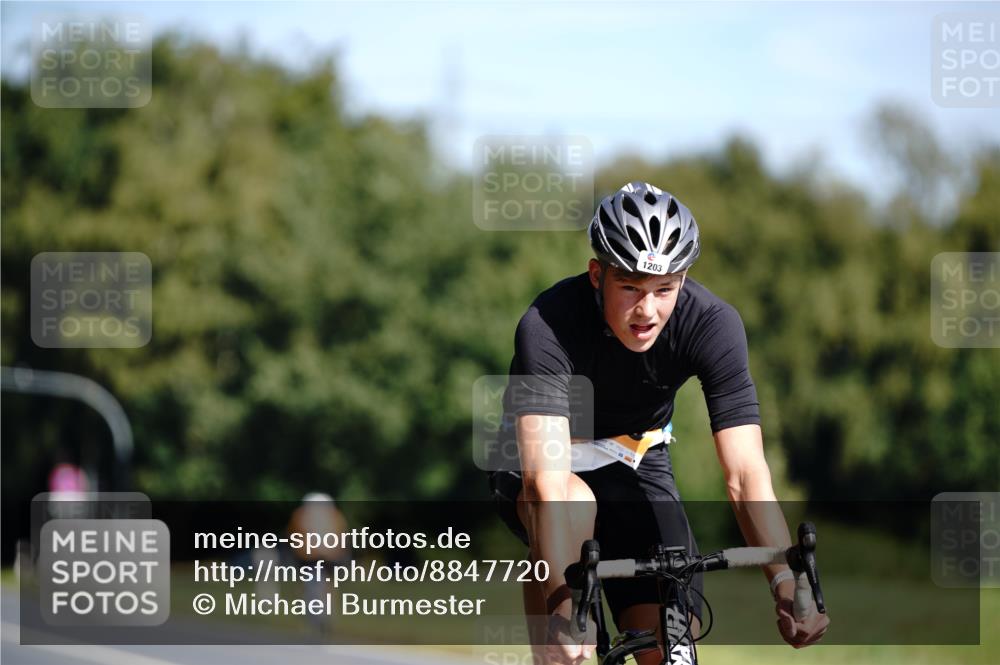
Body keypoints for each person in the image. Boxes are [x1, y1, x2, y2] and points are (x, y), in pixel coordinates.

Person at [487, 182, 829, 664]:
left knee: (671, 636)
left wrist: (786, 582)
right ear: (597, 275)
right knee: (574, 515)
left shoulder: (711, 324)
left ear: (683, 281)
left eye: (664, 289)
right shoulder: (548, 324)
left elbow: (746, 473)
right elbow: (545, 484)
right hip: (545, 462)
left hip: (636, 460)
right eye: (630, 287)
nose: (647, 311)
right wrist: (563, 607)